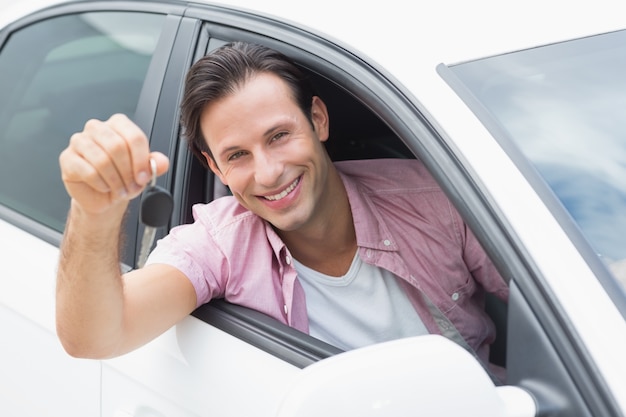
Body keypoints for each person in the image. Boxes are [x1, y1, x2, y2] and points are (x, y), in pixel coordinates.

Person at [57, 42, 508, 378]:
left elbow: (560, 296)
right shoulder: (220, 242)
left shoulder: (434, 199)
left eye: (278, 136)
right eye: (237, 156)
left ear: (318, 120)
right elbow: (95, 336)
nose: (269, 173)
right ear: (214, 166)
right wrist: (94, 211)